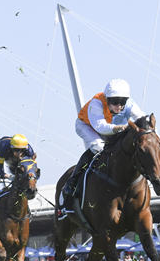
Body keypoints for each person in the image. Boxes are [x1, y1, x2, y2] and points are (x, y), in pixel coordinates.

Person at [59, 79, 147, 219]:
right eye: (114, 101)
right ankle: (72, 181)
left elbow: (143, 118)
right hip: (87, 126)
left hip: (111, 128)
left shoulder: (129, 104)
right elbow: (100, 127)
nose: (118, 106)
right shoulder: (97, 103)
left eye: (122, 102)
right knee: (99, 146)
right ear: (107, 98)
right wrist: (118, 128)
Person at [0, 134, 36, 199]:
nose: (19, 153)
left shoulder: (29, 152)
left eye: (22, 150)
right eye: (16, 150)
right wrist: (9, 177)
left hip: (11, 150)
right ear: (12, 148)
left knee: (22, 173)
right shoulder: (2, 149)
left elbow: (32, 171)